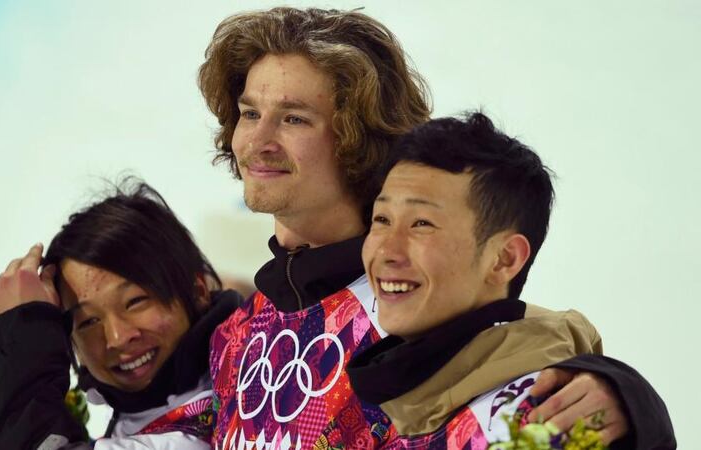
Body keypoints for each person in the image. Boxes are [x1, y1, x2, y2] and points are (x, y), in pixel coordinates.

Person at [197, 6, 674, 450]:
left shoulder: (414, 305)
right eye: (250, 114)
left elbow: (535, 348)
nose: (258, 141)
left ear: (357, 138)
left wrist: (628, 401)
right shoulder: (234, 334)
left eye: (294, 118)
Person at [347, 112, 674, 448]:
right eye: (382, 219)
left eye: (422, 224)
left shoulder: (545, 420)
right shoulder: (392, 395)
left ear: (504, 259)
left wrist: (637, 416)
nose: (387, 250)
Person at [0, 182, 240, 449]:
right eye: (89, 321)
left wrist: (23, 336)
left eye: (135, 302)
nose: (117, 337)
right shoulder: (145, 416)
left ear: (197, 290)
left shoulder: (222, 419)